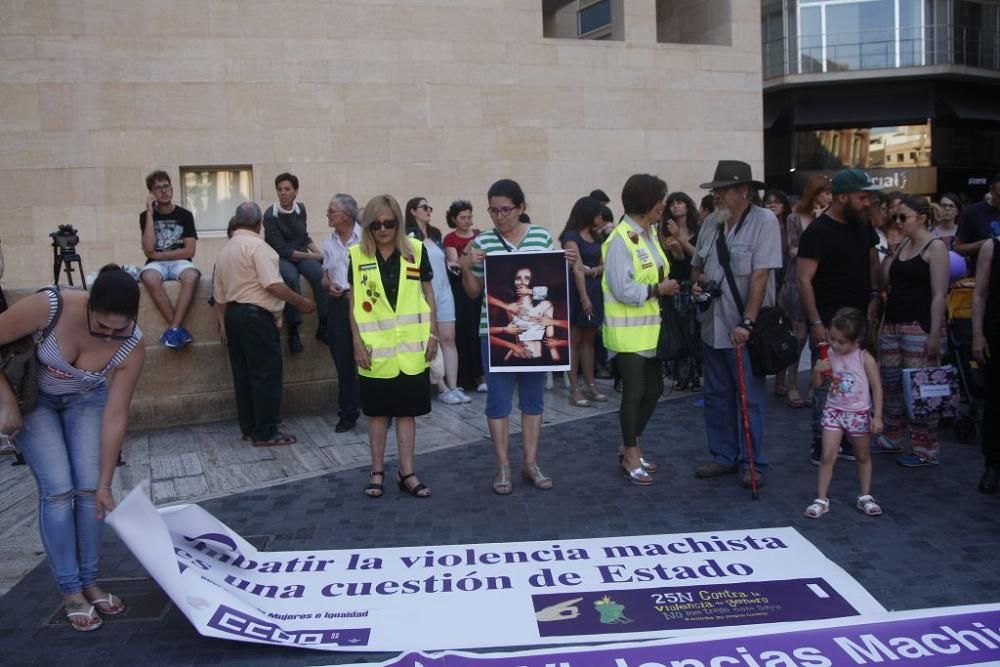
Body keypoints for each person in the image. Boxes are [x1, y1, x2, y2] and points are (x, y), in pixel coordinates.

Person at [0, 266, 145, 631]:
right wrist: (7, 403)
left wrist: (106, 483)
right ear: (89, 306)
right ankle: (70, 590)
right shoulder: (53, 305)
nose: (110, 336)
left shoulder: (132, 343)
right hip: (34, 399)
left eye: (119, 330)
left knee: (88, 491)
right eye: (101, 328)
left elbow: (116, 415)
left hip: (85, 400)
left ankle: (90, 582)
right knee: (58, 490)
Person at [460, 179, 576, 495]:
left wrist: (567, 264)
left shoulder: (539, 235)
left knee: (533, 400)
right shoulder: (483, 241)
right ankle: (503, 466)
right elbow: (472, 293)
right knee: (497, 402)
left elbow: (553, 282)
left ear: (521, 207)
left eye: (506, 209)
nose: (500, 216)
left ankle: (530, 462)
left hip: (535, 330)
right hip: (495, 332)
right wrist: (466, 266)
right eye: (494, 210)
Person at [691, 161, 782, 489]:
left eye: (723, 189)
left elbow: (761, 275)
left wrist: (748, 322)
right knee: (716, 395)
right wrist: (698, 283)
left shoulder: (764, 221)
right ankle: (723, 457)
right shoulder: (711, 224)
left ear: (744, 190)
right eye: (715, 190)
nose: (717, 195)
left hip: (744, 328)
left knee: (749, 398)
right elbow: (696, 267)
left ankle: (753, 462)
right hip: (712, 325)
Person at [349, 195, 437, 499]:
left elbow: (428, 294)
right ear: (368, 226)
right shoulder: (357, 256)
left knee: (406, 413)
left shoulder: (416, 251)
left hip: (411, 349)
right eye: (376, 224)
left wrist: (434, 335)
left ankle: (407, 472)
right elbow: (353, 305)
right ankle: (377, 472)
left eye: (389, 223)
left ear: (398, 222)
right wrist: (356, 342)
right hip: (376, 350)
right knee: (377, 415)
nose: (383, 229)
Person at [797, 169, 882, 465]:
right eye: (862, 197)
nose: (867, 202)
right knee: (827, 381)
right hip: (829, 321)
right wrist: (816, 322)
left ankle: (849, 438)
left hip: (860, 318)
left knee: (857, 378)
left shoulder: (863, 225)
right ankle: (822, 442)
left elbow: (872, 260)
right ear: (842, 197)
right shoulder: (817, 232)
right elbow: (804, 279)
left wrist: (874, 295)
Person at [215, 202, 316, 447]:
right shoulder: (258, 247)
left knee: (243, 376)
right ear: (259, 223)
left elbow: (218, 297)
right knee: (265, 375)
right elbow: (272, 284)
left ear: (237, 221)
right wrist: (301, 302)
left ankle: (249, 428)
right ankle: (266, 431)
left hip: (233, 316)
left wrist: (222, 326)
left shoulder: (225, 251)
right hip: (256, 316)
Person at [604, 174, 679, 485]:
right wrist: (658, 290)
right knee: (634, 393)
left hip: (651, 329)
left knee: (655, 391)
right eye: (660, 200)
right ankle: (631, 452)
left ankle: (629, 444)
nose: (664, 205)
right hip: (627, 333)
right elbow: (623, 289)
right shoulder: (620, 239)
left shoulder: (647, 234)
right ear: (647, 203)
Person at [878, 196, 949, 467]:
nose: (897, 222)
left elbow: (939, 293)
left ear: (921, 217)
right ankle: (892, 436)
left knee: (921, 387)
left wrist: (934, 334)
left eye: (902, 217)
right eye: (894, 217)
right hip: (893, 321)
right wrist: (892, 251)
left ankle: (925, 448)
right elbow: (884, 279)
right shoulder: (904, 244)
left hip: (918, 325)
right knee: (891, 381)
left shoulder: (935, 247)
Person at [805, 307, 884, 519]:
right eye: (832, 339)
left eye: (841, 341)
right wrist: (817, 370)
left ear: (855, 339)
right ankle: (821, 498)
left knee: (862, 455)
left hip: (858, 412)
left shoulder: (864, 357)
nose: (835, 345)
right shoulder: (828, 354)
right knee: (827, 455)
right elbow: (817, 385)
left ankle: (865, 495)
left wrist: (877, 416)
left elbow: (876, 387)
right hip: (834, 410)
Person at [406, 197, 468, 405]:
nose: (428, 210)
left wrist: (451, 263)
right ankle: (441, 387)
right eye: (424, 207)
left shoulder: (435, 235)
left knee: (449, 338)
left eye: (430, 207)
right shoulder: (408, 236)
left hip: (444, 290)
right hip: (425, 294)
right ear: (413, 211)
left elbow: (439, 259)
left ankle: (453, 386)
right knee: (431, 339)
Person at [263, 172, 327, 354]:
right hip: (281, 257)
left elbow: (305, 237)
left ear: (295, 192)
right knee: (290, 278)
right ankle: (293, 329)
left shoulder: (301, 209)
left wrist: (319, 254)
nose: (283, 193)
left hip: (300, 254)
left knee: (319, 274)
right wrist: (313, 257)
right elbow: (283, 250)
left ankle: (323, 324)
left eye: (287, 189)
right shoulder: (270, 215)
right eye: (279, 189)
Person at [139, 170, 200, 349]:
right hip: (155, 264)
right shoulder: (145, 216)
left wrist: (159, 255)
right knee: (149, 277)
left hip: (179, 262)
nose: (164, 191)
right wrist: (150, 214)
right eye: (158, 188)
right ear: (151, 193)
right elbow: (148, 248)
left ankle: (173, 328)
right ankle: (177, 328)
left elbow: (190, 250)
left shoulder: (185, 215)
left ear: (172, 188)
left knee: (192, 276)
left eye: (166, 186)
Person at [321, 194, 363, 433]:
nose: (327, 215)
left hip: (364, 305)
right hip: (338, 304)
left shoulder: (365, 237)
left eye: (331, 210)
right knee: (342, 362)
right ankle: (348, 414)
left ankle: (381, 409)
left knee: (371, 359)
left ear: (345, 215)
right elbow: (324, 275)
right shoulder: (329, 241)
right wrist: (329, 285)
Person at [559, 196, 606, 407]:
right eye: (598, 213)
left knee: (590, 339)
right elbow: (576, 268)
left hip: (595, 287)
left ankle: (590, 384)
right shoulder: (571, 236)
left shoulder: (596, 236)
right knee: (575, 340)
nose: (601, 217)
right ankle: (573, 389)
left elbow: (604, 264)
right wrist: (584, 296)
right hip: (579, 290)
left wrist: (594, 271)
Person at [657, 191, 702, 392]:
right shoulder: (663, 230)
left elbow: (699, 257)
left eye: (680, 202)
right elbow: (664, 262)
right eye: (672, 203)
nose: (676, 206)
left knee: (693, 330)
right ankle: (679, 375)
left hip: (692, 284)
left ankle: (694, 375)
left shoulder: (699, 229)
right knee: (676, 330)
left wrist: (680, 239)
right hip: (673, 285)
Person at [443, 200, 485, 393]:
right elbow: (455, 265)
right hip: (460, 289)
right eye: (463, 218)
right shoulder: (450, 239)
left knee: (479, 329)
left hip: (480, 285)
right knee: (463, 330)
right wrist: (468, 248)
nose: (467, 221)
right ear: (454, 219)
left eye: (469, 217)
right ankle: (464, 377)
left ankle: (481, 374)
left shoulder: (481, 236)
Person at [972, 235, 999, 493]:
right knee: (995, 401)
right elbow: (979, 294)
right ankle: (992, 464)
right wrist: (977, 334)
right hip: (995, 332)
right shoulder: (992, 247)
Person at [954, 173, 1000, 273]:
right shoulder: (972, 213)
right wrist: (988, 243)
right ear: (991, 190)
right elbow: (958, 248)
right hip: (983, 275)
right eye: (999, 195)